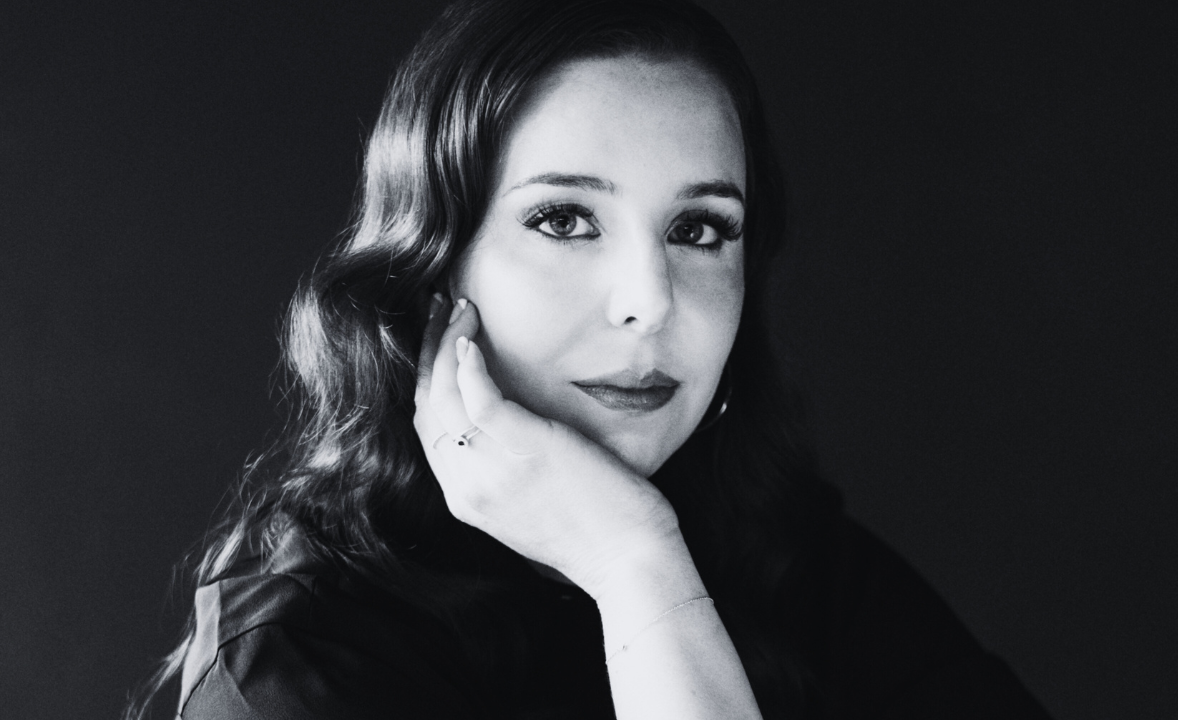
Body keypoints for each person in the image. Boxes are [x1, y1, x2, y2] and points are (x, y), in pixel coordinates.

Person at [129, 0, 1053, 718]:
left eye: (699, 229)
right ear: (434, 267)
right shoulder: (300, 662)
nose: (650, 301)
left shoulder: (799, 566)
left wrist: (641, 562)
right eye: (564, 219)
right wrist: (631, 560)